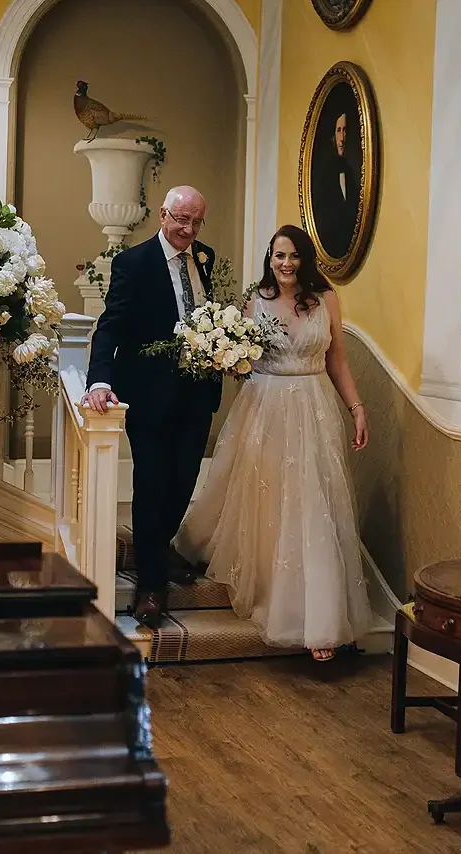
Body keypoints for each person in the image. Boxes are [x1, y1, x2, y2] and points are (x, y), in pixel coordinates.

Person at [174, 225, 392, 661]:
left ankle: (319, 618)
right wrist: (226, 354)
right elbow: (244, 359)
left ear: (304, 258)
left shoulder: (326, 299)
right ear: (269, 259)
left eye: (293, 256)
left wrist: (357, 408)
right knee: (270, 500)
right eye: (279, 256)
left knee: (312, 504)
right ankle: (265, 584)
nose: (286, 263)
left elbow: (338, 361)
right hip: (265, 406)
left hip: (314, 407)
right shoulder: (256, 299)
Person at [83, 186, 220, 630]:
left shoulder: (205, 258)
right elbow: (111, 326)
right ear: (163, 215)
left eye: (197, 221)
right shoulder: (133, 263)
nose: (189, 229)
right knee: (152, 486)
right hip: (148, 395)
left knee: (183, 483)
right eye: (181, 219)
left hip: (197, 394)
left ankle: (158, 549)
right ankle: (150, 586)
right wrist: (100, 379)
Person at [310, 109, 360, 259]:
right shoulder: (326, 174)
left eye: (345, 130)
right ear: (333, 137)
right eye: (339, 130)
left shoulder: (351, 173)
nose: (342, 138)